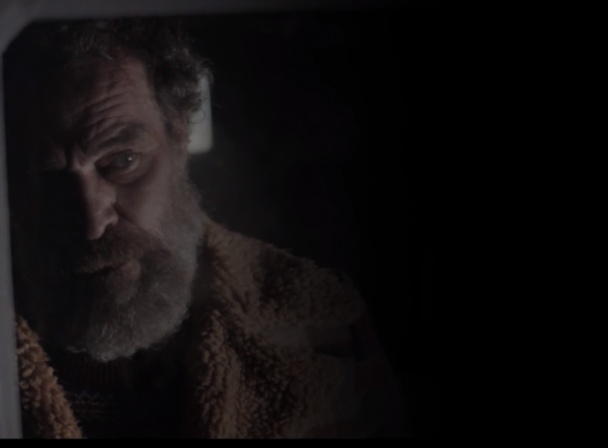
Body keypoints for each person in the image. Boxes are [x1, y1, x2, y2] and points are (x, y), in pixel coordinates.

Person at [2, 18, 406, 438]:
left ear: (179, 136)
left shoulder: (321, 323)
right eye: (49, 178)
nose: (91, 221)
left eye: (123, 161)